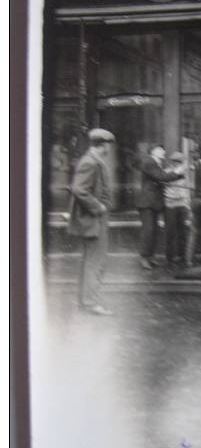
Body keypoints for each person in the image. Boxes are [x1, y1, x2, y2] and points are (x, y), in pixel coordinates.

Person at [67, 128, 116, 316]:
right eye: (108, 145)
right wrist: (99, 207)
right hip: (93, 219)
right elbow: (79, 190)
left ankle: (86, 300)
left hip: (94, 219)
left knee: (91, 261)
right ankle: (91, 303)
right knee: (95, 262)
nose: (109, 149)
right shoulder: (90, 162)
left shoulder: (93, 160)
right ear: (103, 145)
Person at [136, 145, 184, 269]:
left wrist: (177, 175)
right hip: (147, 202)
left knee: (154, 231)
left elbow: (162, 178)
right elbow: (161, 177)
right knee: (148, 231)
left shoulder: (156, 163)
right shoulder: (149, 162)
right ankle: (144, 257)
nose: (163, 151)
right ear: (153, 151)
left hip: (153, 202)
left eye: (163, 149)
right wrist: (177, 172)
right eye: (160, 149)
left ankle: (150, 257)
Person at [163, 151, 194, 268]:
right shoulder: (167, 172)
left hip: (181, 204)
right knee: (170, 232)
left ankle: (182, 256)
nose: (177, 163)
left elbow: (186, 190)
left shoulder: (184, 173)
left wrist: (188, 205)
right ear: (172, 162)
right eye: (176, 161)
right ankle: (169, 258)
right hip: (170, 204)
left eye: (179, 161)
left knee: (183, 232)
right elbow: (167, 182)